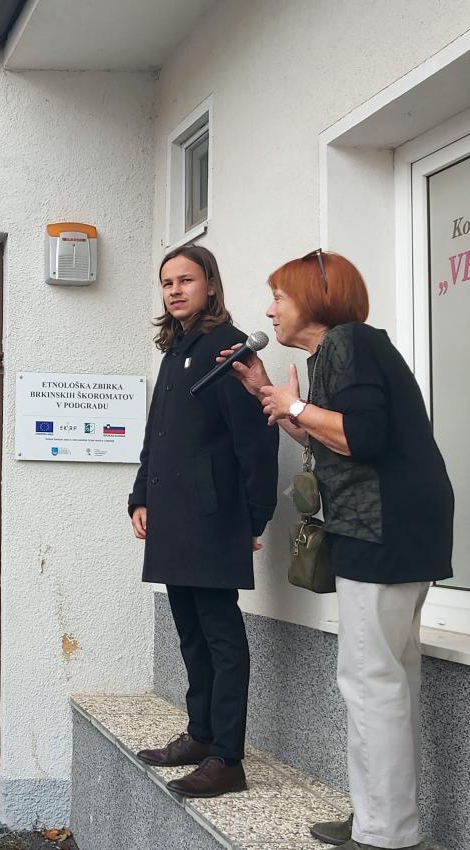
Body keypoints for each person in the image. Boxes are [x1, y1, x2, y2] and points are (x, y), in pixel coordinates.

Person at [222, 250, 452, 850]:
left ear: (314, 299)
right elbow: (334, 438)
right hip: (394, 531)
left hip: (381, 531)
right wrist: (269, 393)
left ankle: (384, 832)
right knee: (386, 679)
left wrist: (295, 406)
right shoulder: (339, 352)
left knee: (370, 680)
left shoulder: (349, 342)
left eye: (280, 296)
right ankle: (383, 817)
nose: (270, 310)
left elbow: (363, 436)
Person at [128, 245, 279, 797]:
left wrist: (254, 517)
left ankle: (227, 757)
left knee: (221, 636)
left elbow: (257, 440)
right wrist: (140, 496)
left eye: (186, 280)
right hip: (173, 517)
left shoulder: (228, 348)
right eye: (167, 282)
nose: (174, 290)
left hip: (215, 518)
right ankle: (200, 734)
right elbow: (158, 434)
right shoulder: (176, 349)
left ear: (210, 285)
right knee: (190, 632)